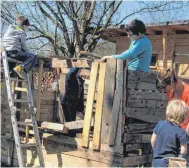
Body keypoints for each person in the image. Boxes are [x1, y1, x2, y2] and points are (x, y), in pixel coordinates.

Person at [156, 68, 189, 164]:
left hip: (185, 134)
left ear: (171, 83)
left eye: (165, 87)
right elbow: (171, 114)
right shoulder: (171, 92)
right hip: (175, 135)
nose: (164, 90)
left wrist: (184, 137)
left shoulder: (187, 92)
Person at [151, 99, 189, 167]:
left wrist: (156, 151)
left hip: (156, 162)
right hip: (170, 163)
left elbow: (153, 140)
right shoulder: (182, 131)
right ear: (183, 117)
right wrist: (180, 156)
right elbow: (184, 150)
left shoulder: (160, 124)